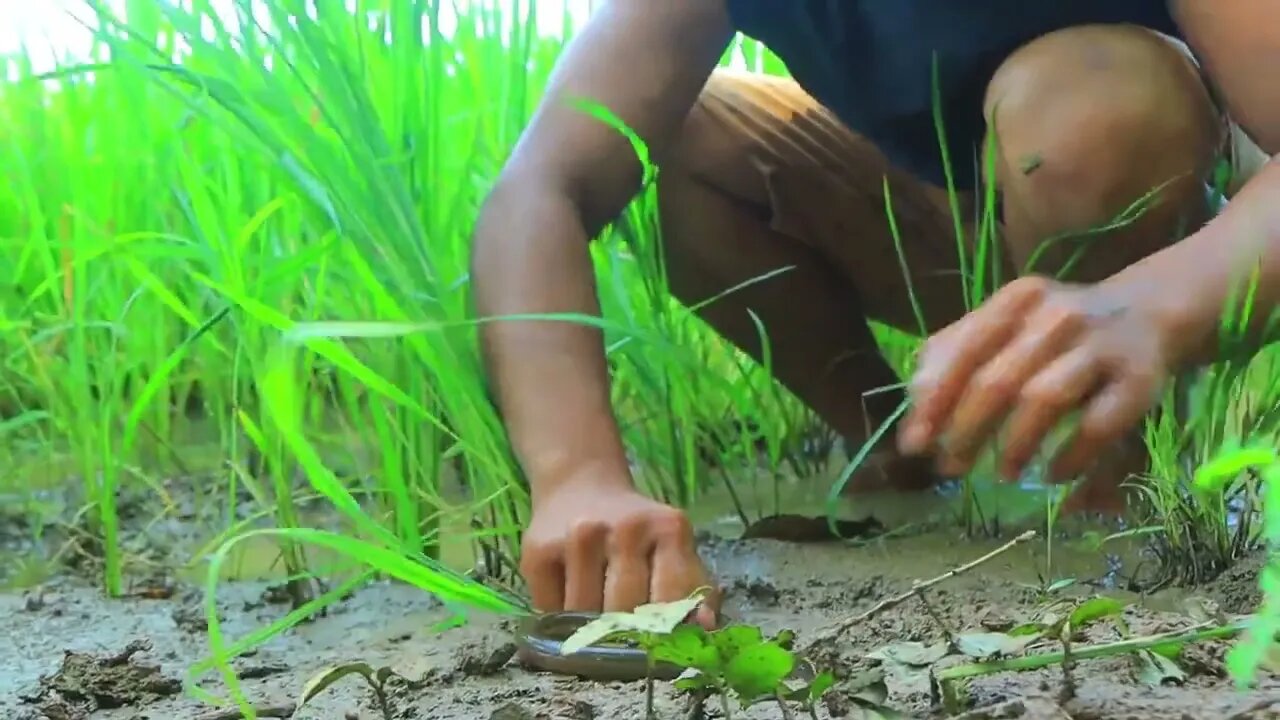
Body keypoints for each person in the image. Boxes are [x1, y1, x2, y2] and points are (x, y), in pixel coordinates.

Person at [470, 0, 1279, 626]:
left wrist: (1150, 308)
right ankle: (911, 447)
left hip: (1188, 240)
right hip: (949, 219)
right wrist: (578, 479)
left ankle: (1117, 477)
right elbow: (541, 186)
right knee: (683, 134)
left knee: (1091, 110)